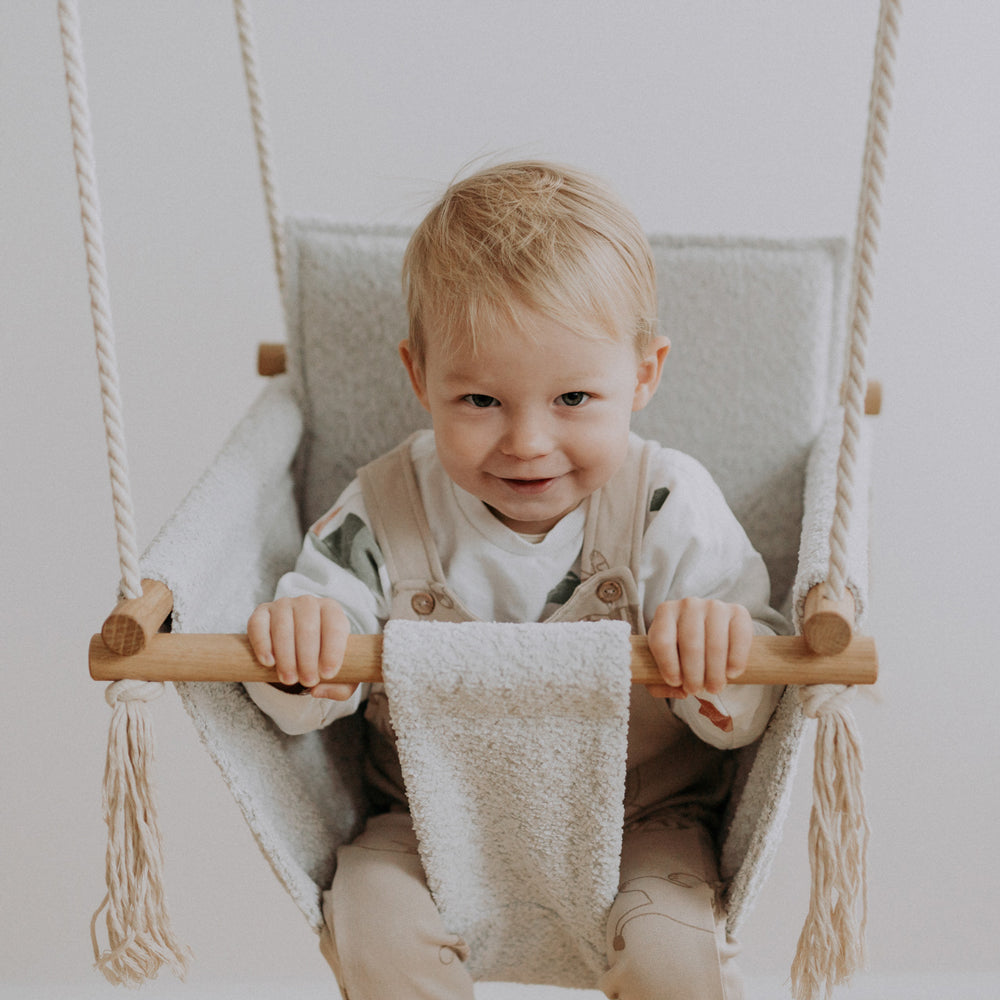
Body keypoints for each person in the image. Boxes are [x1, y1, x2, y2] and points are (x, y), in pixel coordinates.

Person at [245, 160, 787, 1000]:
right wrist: (300, 646)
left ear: (644, 373)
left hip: (642, 820)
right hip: (427, 816)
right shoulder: (381, 509)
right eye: (480, 401)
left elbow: (742, 719)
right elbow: (300, 698)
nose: (528, 441)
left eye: (573, 396)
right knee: (369, 924)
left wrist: (721, 655)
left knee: (673, 960)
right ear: (420, 377)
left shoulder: (667, 503)